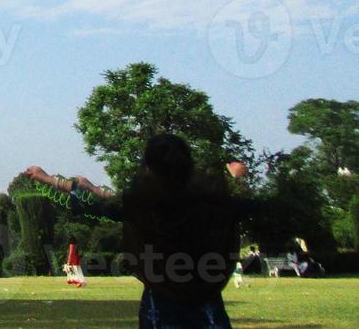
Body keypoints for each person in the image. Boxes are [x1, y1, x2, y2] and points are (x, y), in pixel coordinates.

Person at [27, 133, 259, 329]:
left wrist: (50, 180)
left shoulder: (143, 206)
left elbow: (97, 206)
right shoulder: (210, 204)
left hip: (161, 305)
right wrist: (236, 179)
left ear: (149, 167)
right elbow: (250, 208)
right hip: (206, 303)